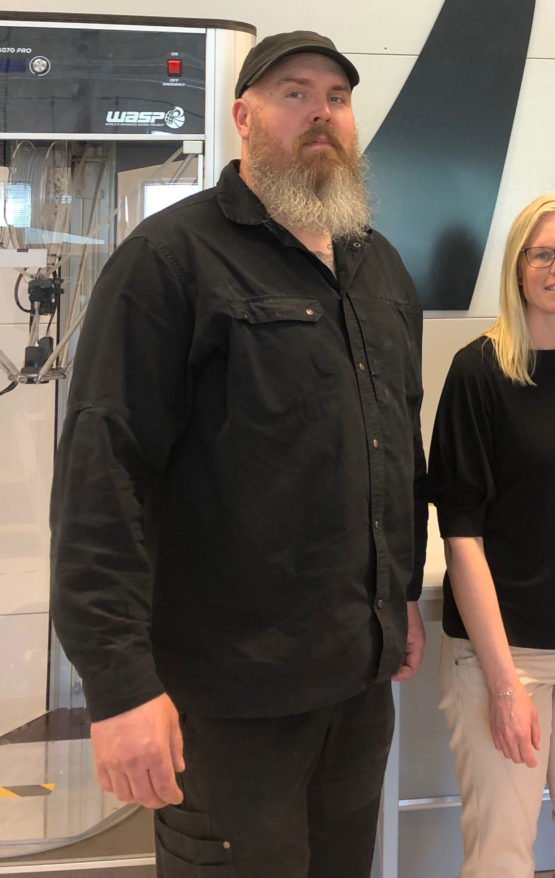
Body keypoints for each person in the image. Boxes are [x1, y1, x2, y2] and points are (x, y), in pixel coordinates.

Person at [49, 31, 427, 878]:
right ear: (243, 116)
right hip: (227, 703)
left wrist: (400, 593)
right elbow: (103, 479)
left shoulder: (379, 269)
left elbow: (399, 448)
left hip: (355, 691)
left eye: (336, 97)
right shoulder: (169, 261)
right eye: (294, 93)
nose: (320, 113)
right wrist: (119, 685)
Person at [428, 193, 555, 877]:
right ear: (517, 269)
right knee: (502, 859)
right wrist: (502, 685)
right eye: (541, 254)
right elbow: (461, 533)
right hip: (505, 654)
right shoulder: (479, 372)